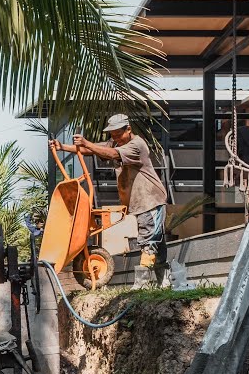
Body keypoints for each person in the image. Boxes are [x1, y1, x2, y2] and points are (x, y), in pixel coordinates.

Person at [49, 113, 169, 271]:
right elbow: (93, 149)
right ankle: (164, 283)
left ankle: (143, 284)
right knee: (156, 242)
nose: (116, 139)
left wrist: (86, 142)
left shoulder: (137, 145)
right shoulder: (116, 142)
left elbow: (112, 154)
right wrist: (63, 147)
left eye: (118, 135)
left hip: (150, 200)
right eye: (113, 136)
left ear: (128, 129)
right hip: (138, 201)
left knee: (148, 241)